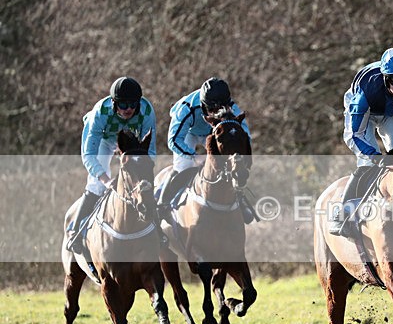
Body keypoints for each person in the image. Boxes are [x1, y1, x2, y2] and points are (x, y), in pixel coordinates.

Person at [331, 46, 393, 237]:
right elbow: (354, 135)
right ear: (386, 79)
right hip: (364, 115)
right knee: (368, 163)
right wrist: (375, 157)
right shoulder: (366, 92)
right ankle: (342, 212)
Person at [66, 76, 157, 253]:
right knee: (96, 184)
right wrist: (107, 181)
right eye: (123, 105)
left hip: (131, 141)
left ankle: (157, 229)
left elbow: (150, 151)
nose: (129, 109)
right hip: (104, 140)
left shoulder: (146, 111)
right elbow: (88, 156)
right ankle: (74, 231)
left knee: (144, 184)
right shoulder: (101, 112)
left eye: (133, 104)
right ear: (114, 103)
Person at [158, 77, 253, 219]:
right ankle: (163, 204)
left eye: (221, 110)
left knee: (227, 164)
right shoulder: (187, 108)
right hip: (188, 133)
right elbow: (173, 140)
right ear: (203, 105)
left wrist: (239, 161)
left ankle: (240, 199)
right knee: (184, 166)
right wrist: (194, 156)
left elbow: (245, 137)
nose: (216, 114)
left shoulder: (233, 109)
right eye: (212, 110)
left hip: (215, 132)